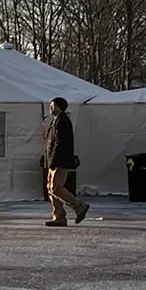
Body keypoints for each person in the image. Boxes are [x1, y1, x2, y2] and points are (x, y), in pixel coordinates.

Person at [43, 96, 88, 226]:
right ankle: (59, 217)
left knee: (56, 188)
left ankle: (79, 206)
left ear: (59, 107)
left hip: (60, 160)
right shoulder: (54, 121)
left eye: (53, 105)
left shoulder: (62, 121)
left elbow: (60, 142)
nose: (50, 107)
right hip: (54, 160)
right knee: (50, 188)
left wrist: (54, 160)